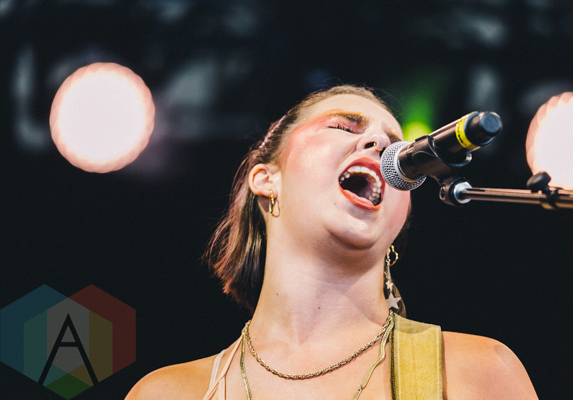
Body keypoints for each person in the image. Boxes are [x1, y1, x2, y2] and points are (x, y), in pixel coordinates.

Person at [126, 85, 538, 400]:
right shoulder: (167, 393)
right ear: (267, 179)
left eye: (396, 147)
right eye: (343, 127)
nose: (379, 145)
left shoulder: (477, 375)